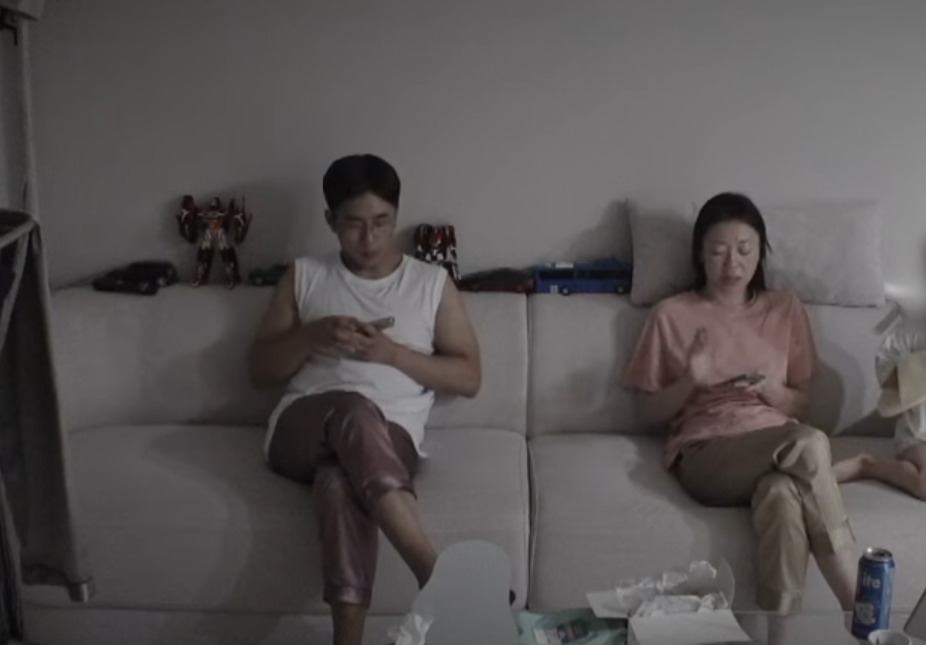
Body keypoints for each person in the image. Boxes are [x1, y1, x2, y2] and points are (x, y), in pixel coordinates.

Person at [248, 154, 481, 645]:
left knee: (338, 482)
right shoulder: (305, 275)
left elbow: (468, 376)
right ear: (330, 220)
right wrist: (310, 336)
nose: (370, 239)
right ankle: (432, 572)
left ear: (396, 216)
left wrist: (391, 353)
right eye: (353, 224)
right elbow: (259, 371)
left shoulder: (430, 283)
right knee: (352, 407)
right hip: (302, 428)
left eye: (382, 222)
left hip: (390, 435)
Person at [623, 193, 858, 617]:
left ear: (761, 252)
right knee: (809, 444)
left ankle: (780, 638)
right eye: (718, 251)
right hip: (706, 452)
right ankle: (860, 609)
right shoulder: (670, 315)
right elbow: (645, 413)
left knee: (781, 495)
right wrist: (690, 381)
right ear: (700, 254)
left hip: (775, 442)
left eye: (745, 250)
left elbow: (802, 406)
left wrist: (774, 392)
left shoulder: (785, 310)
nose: (732, 264)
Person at [833, 313, 926, 500]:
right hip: (917, 436)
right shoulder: (912, 331)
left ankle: (909, 470)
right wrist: (916, 367)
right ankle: (868, 465)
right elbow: (886, 370)